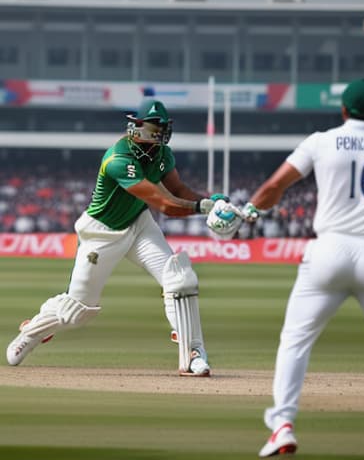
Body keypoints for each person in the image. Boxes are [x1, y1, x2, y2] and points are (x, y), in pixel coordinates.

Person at [242, 79, 364, 459]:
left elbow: (274, 185)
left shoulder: (321, 140)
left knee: (295, 341)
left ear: (344, 110)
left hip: (328, 250)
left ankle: (282, 426)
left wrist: (249, 212)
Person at [6, 99, 230, 377]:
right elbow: (165, 204)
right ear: (138, 127)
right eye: (156, 126)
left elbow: (179, 189)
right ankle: (33, 330)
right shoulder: (118, 159)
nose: (162, 132)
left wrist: (211, 201)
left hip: (139, 225)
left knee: (180, 279)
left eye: (163, 127)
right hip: (102, 233)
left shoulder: (163, 155)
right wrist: (203, 208)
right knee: (78, 310)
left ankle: (193, 352)